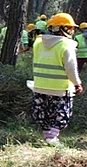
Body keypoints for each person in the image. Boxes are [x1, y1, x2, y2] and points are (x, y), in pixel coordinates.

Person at [30, 13, 83, 147]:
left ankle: (47, 136)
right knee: (61, 114)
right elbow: (71, 68)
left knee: (43, 113)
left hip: (40, 86)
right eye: (70, 27)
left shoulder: (38, 42)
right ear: (62, 29)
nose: (72, 30)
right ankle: (52, 138)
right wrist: (77, 83)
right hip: (61, 88)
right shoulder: (66, 45)